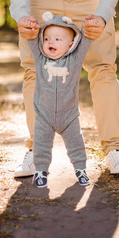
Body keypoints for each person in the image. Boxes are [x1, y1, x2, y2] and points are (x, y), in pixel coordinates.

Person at [3, 0, 119, 177]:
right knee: (35, 70)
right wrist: (21, 13)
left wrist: (103, 14)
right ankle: (37, 150)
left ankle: (115, 148)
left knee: (103, 69)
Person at [27, 12, 94, 188]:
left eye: (58, 39)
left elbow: (85, 43)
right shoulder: (40, 59)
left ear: (71, 45)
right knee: (40, 144)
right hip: (44, 116)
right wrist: (32, 29)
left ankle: (81, 170)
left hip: (69, 116)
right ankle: (41, 171)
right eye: (47, 38)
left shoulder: (75, 60)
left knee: (76, 144)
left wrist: (86, 29)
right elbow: (31, 40)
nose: (51, 42)